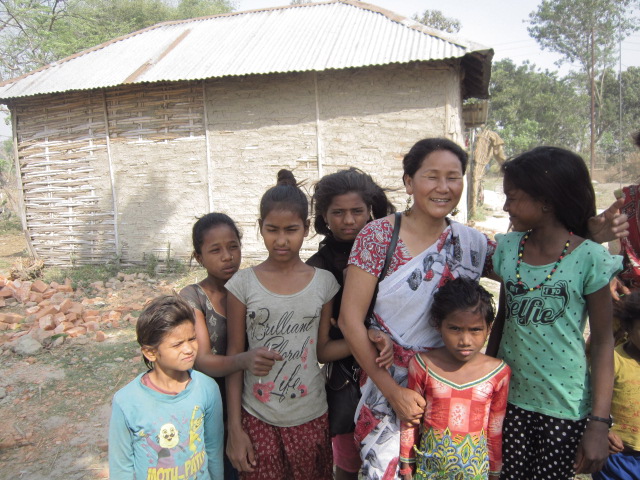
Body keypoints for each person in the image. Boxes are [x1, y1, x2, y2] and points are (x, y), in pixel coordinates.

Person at [340, 138, 497, 479]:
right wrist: (393, 391)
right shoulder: (379, 237)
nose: (443, 188)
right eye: (432, 176)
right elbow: (349, 319)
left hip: (451, 393)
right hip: (389, 390)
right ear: (409, 182)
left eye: (453, 177)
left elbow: (525, 267)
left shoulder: (473, 244)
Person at [486, 146, 622, 479]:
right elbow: (503, 321)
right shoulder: (508, 250)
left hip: (564, 406)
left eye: (513, 198)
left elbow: (604, 343)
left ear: (546, 202)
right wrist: (485, 383)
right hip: (510, 399)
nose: (505, 206)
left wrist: (599, 424)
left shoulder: (590, 258)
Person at [225, 169, 340, 479]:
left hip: (311, 414)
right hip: (257, 417)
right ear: (259, 228)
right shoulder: (242, 285)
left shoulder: (324, 283)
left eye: (291, 230)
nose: (280, 239)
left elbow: (324, 349)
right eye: (271, 229)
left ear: (305, 229)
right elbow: (235, 358)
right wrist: (234, 429)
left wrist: (365, 338)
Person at [307, 167, 396, 480]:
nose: (348, 221)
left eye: (357, 211)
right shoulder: (317, 270)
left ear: (370, 210)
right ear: (324, 217)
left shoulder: (392, 250)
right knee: (347, 464)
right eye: (338, 212)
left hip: (394, 372)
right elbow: (320, 345)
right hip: (345, 380)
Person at [180, 213, 283, 480]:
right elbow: (202, 360)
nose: (227, 256)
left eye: (233, 246)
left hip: (256, 402)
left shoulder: (254, 286)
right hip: (212, 407)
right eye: (215, 250)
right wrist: (244, 360)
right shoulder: (193, 297)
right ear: (199, 257)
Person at [399, 277, 511, 480]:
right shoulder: (423, 365)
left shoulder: (498, 373)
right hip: (428, 472)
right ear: (438, 325)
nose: (465, 340)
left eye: (475, 330)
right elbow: (410, 422)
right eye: (455, 329)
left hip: (476, 474)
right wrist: (407, 469)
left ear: (489, 328)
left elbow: (495, 430)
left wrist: (495, 473)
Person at [108, 295, 223, 479]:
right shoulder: (126, 402)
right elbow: (121, 467)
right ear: (151, 352)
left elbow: (214, 450)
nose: (188, 349)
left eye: (192, 339)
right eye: (177, 344)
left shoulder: (207, 388)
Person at [593, 291, 640, 480]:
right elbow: (590, 401)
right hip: (617, 459)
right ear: (628, 325)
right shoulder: (613, 361)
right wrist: (602, 430)